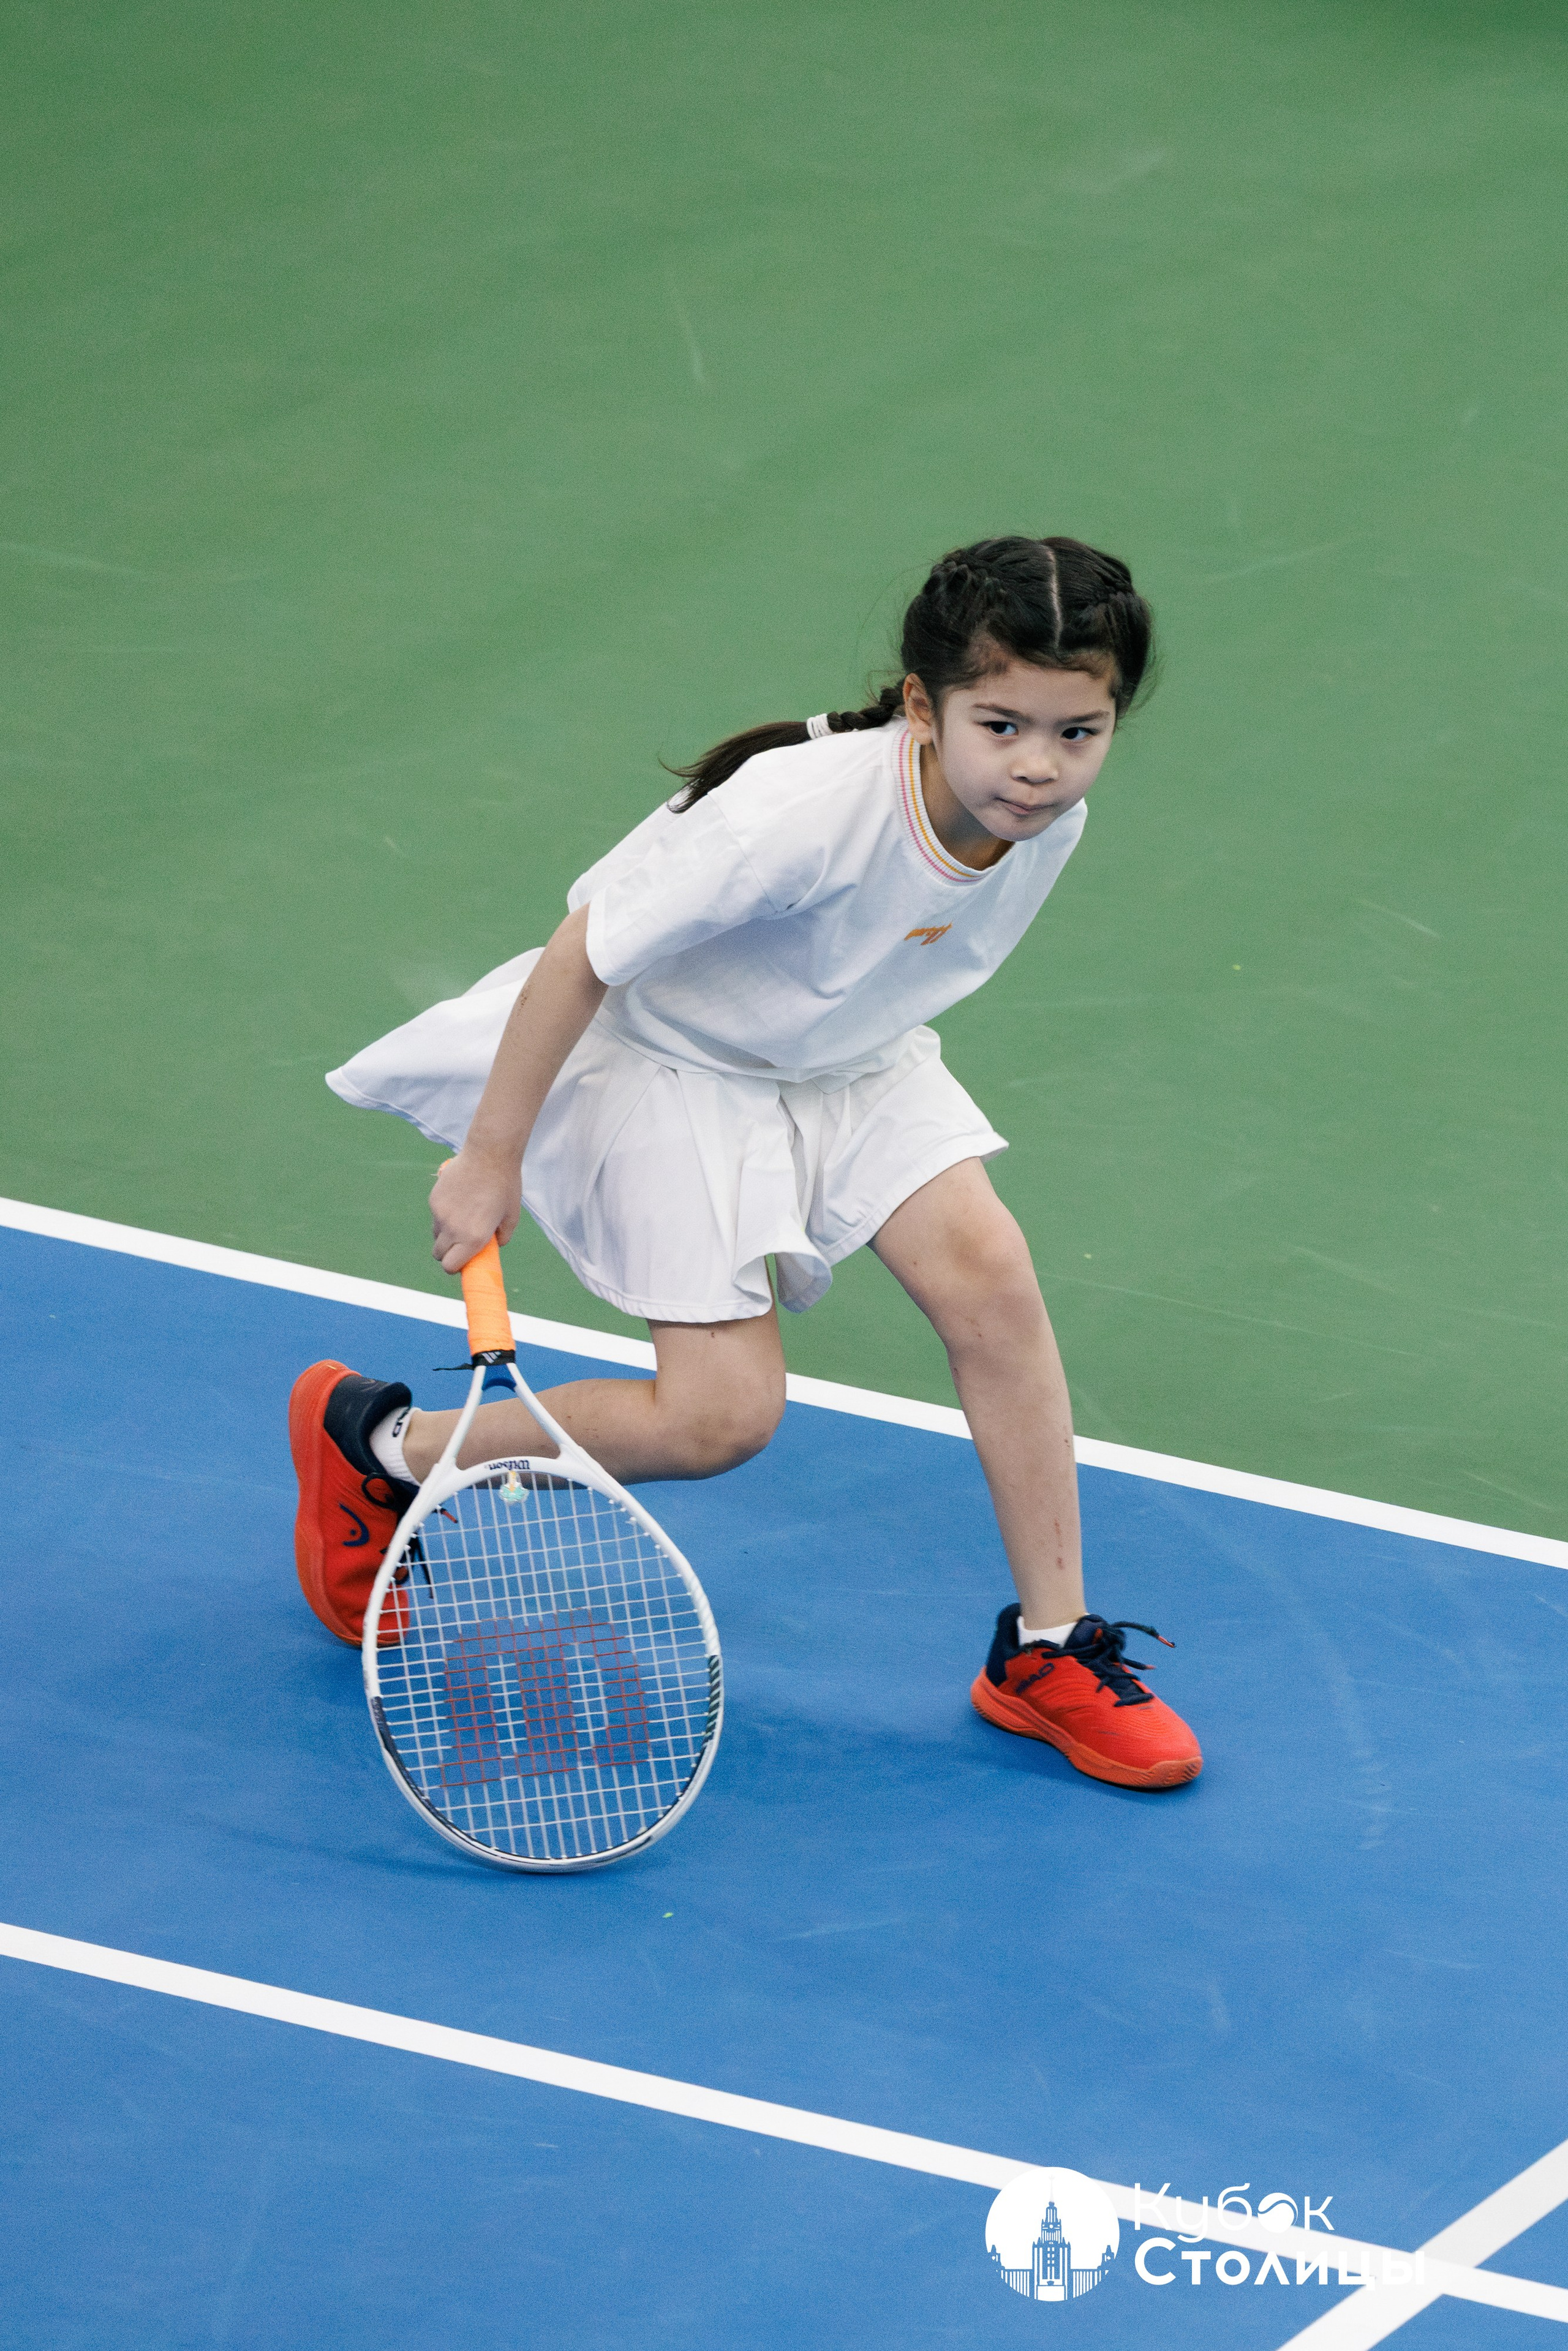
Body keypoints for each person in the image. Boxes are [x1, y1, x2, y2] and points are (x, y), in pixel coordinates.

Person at [290, 535, 1202, 1792]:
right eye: (1002, 723)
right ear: (925, 707)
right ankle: (380, 1448)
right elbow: (582, 956)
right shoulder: (795, 815)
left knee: (991, 1281)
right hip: (670, 1061)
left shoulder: (1045, 817)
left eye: (1077, 730)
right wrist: (489, 1155)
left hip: (842, 1053)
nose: (1038, 766)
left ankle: (1045, 1649)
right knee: (718, 1419)